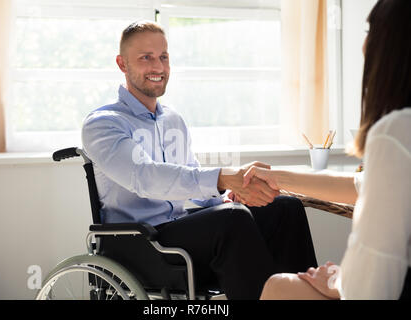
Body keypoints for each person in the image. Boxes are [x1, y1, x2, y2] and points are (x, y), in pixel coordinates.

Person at [81, 21, 317, 299]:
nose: (158, 67)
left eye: (163, 57)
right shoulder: (104, 124)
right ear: (122, 64)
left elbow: (189, 175)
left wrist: (227, 195)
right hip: (139, 243)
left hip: (179, 229)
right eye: (146, 58)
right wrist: (222, 177)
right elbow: (144, 178)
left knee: (284, 209)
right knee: (232, 221)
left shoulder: (173, 120)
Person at [243, 0, 411, 300]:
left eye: (370, 32)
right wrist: (276, 176)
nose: (363, 47)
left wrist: (336, 281)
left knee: (279, 287)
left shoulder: (397, 130)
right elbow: (360, 186)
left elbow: (371, 286)